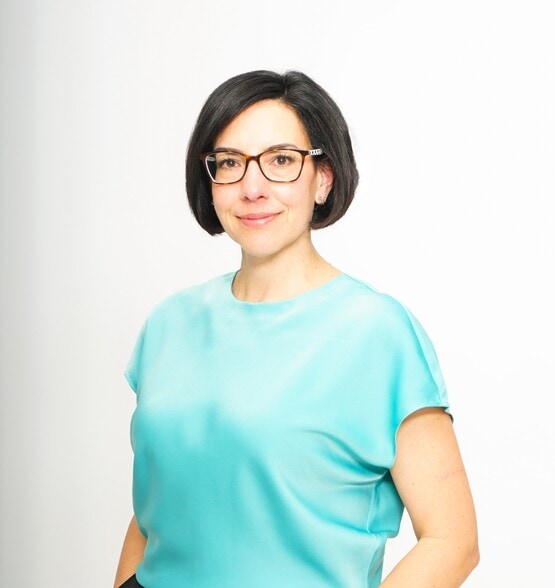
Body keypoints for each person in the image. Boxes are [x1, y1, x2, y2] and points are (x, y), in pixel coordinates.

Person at [113, 69, 479, 588]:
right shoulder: (169, 323)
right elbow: (155, 515)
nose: (252, 187)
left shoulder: (376, 333)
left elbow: (452, 541)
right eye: (230, 163)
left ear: (323, 178)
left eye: (281, 160)